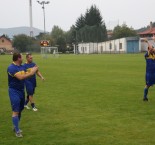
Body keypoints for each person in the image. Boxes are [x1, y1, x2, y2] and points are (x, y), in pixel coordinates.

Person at [7, 53, 38, 137]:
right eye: (21, 56)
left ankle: (15, 126)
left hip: (21, 91)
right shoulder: (11, 68)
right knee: (16, 111)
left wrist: (34, 69)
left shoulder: (22, 67)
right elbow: (21, 77)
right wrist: (31, 73)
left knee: (20, 110)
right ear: (18, 58)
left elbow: (27, 74)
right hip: (14, 91)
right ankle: (17, 131)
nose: (23, 58)